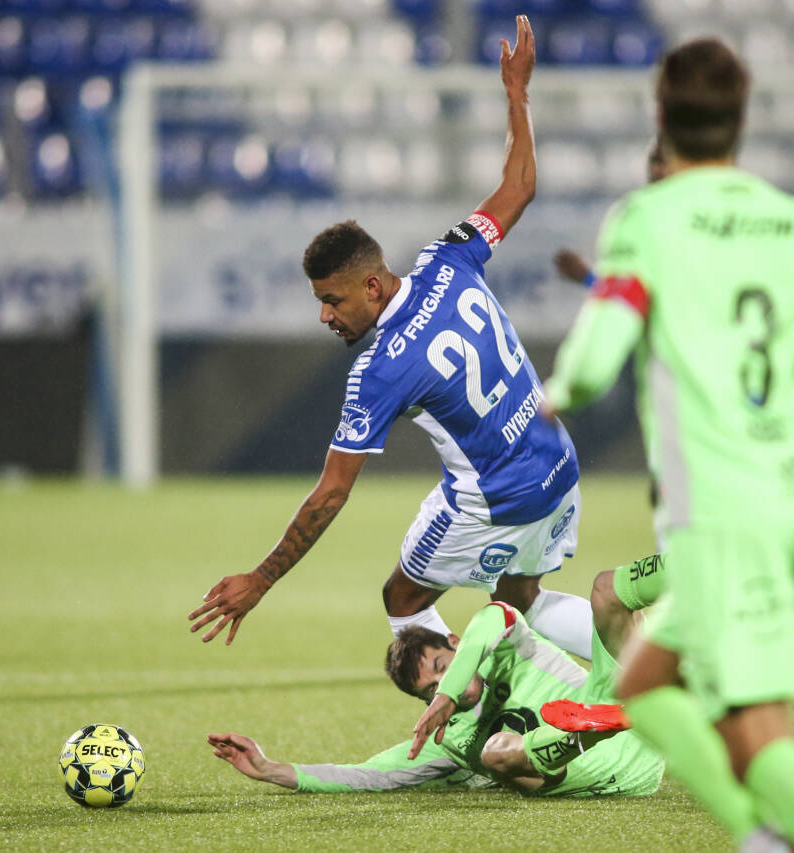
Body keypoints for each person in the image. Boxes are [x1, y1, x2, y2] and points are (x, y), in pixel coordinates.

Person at [541, 38, 794, 853]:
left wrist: (558, 391)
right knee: (643, 680)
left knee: (762, 740)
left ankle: (782, 835)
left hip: (722, 516)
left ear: (661, 115)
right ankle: (761, 838)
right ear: (740, 121)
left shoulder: (645, 217)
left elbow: (596, 360)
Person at [188, 16, 595, 661]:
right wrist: (517, 93)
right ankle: (651, 658)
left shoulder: (379, 367)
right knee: (522, 598)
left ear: (372, 287)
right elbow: (519, 187)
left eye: (331, 300)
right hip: (559, 463)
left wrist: (260, 580)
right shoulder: (449, 258)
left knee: (403, 600)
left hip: (497, 497)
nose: (325, 317)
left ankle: (465, 722)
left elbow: (332, 492)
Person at [551, 141, 794, 667]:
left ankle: (724, 646)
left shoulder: (678, 236)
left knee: (696, 543)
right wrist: (589, 279)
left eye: (662, 173)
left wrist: (566, 388)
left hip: (705, 419)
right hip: (709, 420)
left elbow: (652, 308)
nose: (658, 185)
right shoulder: (680, 236)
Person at [209, 554, 668, 797]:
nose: (444, 689)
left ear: (454, 642)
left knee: (608, 589)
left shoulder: (505, 640)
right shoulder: (448, 736)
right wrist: (271, 769)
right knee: (496, 755)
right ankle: (585, 732)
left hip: (631, 714)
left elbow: (493, 617)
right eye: (429, 690)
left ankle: (706, 561)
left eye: (442, 670)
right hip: (609, 775)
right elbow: (369, 775)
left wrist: (447, 692)